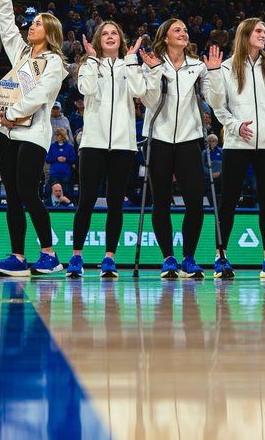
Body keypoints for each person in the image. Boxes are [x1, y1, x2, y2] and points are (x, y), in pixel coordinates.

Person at [0, 0, 67, 278]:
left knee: (27, 192)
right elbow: (6, 25)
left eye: (36, 23)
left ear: (48, 31)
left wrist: (9, 112)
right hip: (8, 133)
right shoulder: (23, 55)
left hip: (33, 134)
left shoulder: (55, 62)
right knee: (12, 194)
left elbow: (41, 95)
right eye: (31, 23)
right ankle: (18, 257)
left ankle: (49, 254)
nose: (30, 27)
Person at [206, 17, 265, 279]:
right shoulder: (227, 67)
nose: (264, 35)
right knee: (228, 201)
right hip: (237, 142)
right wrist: (234, 126)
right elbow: (217, 104)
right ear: (244, 34)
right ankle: (220, 257)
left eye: (264, 31)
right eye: (258, 31)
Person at [138, 16, 217, 280]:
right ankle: (168, 258)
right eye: (177, 30)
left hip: (188, 140)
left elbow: (214, 100)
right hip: (158, 140)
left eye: (184, 30)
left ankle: (189, 258)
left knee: (195, 200)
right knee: (161, 201)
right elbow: (149, 101)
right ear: (166, 37)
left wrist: (214, 72)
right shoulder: (153, 63)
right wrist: (151, 72)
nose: (183, 33)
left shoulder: (198, 66)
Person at [66, 20, 146, 278]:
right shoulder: (91, 64)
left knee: (116, 203)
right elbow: (85, 89)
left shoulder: (128, 63)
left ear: (120, 40)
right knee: (86, 201)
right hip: (93, 143)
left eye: (114, 33)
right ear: (98, 40)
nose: (110, 37)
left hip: (124, 145)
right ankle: (76, 256)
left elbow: (139, 91)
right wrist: (90, 61)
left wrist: (133, 60)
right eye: (105, 34)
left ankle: (109, 258)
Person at [45, 128, 76, 194]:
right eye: (55, 135)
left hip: (66, 174)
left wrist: (66, 159)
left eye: (58, 135)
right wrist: (57, 159)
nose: (56, 137)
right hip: (54, 174)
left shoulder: (69, 147)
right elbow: (47, 159)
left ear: (62, 136)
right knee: (53, 193)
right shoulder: (51, 146)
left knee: (66, 193)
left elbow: (74, 159)